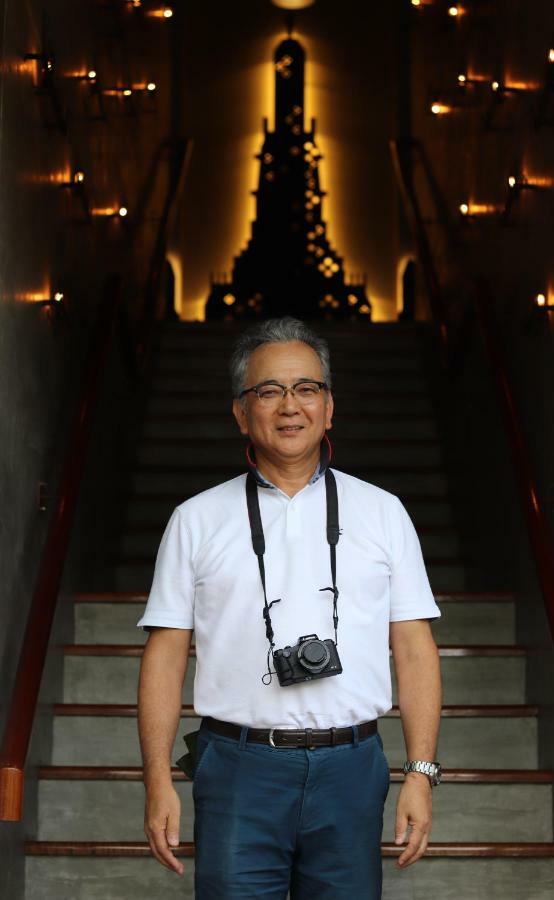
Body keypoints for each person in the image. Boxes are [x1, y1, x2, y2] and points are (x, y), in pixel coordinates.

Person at [136, 316, 443, 899]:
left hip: (353, 766)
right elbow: (166, 653)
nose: (289, 406)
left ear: (329, 407)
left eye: (307, 388)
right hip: (237, 765)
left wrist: (420, 773)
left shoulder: (383, 512)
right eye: (269, 391)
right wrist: (155, 778)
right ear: (240, 412)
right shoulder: (196, 518)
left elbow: (414, 648)